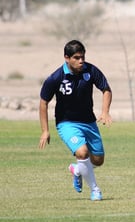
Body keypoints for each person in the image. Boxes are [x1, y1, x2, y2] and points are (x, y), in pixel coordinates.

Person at [38, 40, 112, 201]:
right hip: (67, 123)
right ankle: (95, 190)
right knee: (82, 152)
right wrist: (45, 130)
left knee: (98, 160)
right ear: (67, 58)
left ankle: (78, 170)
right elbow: (43, 102)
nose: (81, 61)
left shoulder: (91, 71)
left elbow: (106, 89)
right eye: (77, 58)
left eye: (83, 57)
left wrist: (105, 111)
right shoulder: (56, 78)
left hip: (89, 122)